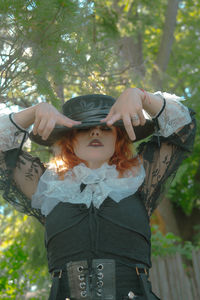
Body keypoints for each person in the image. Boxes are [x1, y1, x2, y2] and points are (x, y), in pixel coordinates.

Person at [0, 87, 196, 300]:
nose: (95, 132)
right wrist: (33, 111)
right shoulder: (47, 186)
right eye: (84, 129)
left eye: (106, 127)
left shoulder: (141, 179)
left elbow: (182, 127)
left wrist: (142, 96)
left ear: (118, 137)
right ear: (69, 139)